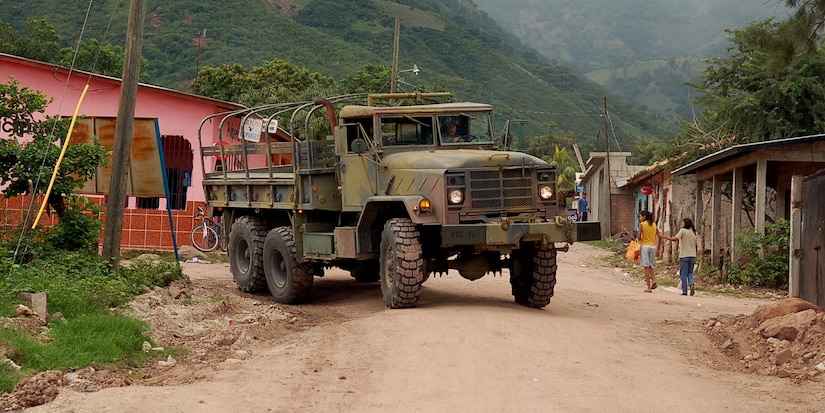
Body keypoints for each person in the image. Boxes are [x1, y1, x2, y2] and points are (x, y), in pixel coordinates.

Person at [661, 218, 699, 296]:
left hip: (684, 255)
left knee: (683, 273)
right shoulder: (694, 233)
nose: (681, 225)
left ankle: (684, 291)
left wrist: (664, 237)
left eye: (682, 224)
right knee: (690, 273)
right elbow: (696, 246)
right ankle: (691, 284)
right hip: (693, 255)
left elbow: (675, 239)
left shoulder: (683, 231)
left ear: (685, 224)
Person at [638, 210, 667, 293]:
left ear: (644, 217)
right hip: (653, 247)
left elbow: (639, 237)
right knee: (650, 266)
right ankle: (654, 280)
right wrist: (658, 248)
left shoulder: (642, 225)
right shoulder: (654, 225)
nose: (640, 218)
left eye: (640, 216)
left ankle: (648, 287)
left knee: (646, 267)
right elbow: (660, 236)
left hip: (645, 247)